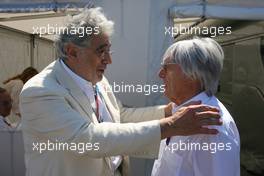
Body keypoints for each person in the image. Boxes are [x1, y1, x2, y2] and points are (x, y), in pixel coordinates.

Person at [20, 8, 222, 176]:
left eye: (109, 50)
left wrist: (168, 111)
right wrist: (171, 125)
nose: (109, 60)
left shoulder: (96, 79)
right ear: (72, 52)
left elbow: (120, 117)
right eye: (101, 51)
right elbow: (88, 139)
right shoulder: (39, 92)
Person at [151, 37, 240, 176]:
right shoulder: (182, 112)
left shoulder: (212, 127)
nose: (160, 74)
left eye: (166, 67)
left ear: (192, 74)